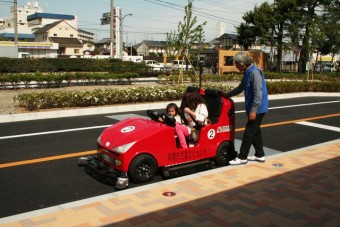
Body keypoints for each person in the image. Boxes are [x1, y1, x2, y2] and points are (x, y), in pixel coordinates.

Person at [220, 51, 269, 165]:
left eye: (237, 64)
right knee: (255, 132)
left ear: (243, 63)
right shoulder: (247, 72)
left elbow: (258, 93)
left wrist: (253, 110)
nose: (235, 66)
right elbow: (241, 87)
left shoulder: (255, 73)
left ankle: (242, 157)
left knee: (248, 132)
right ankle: (259, 154)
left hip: (258, 108)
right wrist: (226, 95)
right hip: (254, 107)